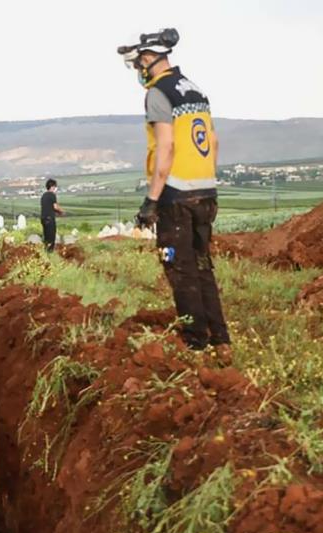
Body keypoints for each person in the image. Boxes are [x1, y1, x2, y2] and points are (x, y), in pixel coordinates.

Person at [120, 28, 231, 352]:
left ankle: (196, 342)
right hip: (206, 192)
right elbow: (213, 142)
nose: (138, 71)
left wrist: (151, 200)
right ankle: (220, 339)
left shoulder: (158, 93)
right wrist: (205, 182)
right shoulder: (196, 91)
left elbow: (166, 147)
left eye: (138, 64)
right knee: (202, 265)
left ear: (147, 59)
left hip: (176, 195)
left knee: (179, 268)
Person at [39, 178, 65, 252]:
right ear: (52, 187)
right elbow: (55, 207)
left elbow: (48, 207)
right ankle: (50, 252)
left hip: (43, 218)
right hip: (50, 218)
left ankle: (46, 250)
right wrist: (61, 211)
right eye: (55, 187)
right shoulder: (52, 195)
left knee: (46, 236)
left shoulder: (43, 195)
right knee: (51, 237)